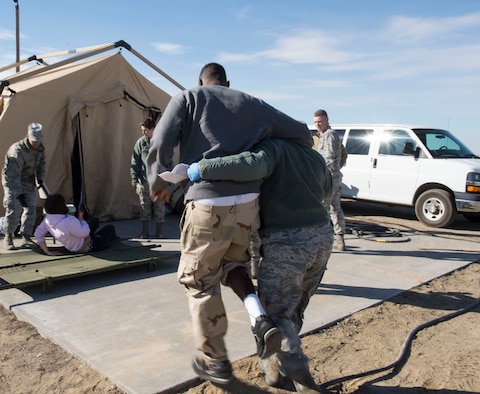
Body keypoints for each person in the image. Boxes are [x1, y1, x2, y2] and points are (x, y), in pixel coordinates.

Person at [146, 63, 313, 385]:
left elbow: (161, 142)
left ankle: (216, 362)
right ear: (228, 83)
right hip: (248, 205)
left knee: (199, 282)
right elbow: (303, 134)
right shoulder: (252, 103)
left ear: (201, 81)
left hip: (208, 204)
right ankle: (259, 318)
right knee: (234, 265)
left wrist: (158, 180)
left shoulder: (188, 98)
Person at [188, 138, 333, 393]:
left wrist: (203, 168)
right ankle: (272, 369)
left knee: (276, 315)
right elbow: (326, 191)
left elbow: (249, 165)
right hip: (321, 239)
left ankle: (300, 375)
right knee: (293, 307)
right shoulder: (315, 157)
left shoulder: (275, 148)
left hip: (287, 243)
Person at [2, 123, 46, 250]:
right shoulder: (17, 151)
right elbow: (12, 175)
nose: (36, 144)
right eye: (34, 141)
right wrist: (18, 194)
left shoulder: (40, 148)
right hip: (13, 183)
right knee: (14, 210)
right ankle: (8, 236)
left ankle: (26, 236)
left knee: (31, 209)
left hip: (29, 182)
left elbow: (42, 163)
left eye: (38, 141)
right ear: (27, 136)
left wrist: (40, 179)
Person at [34, 193, 117, 256]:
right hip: (86, 245)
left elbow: (38, 233)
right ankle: (111, 240)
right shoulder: (68, 221)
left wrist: (47, 251)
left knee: (94, 221)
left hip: (73, 246)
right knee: (110, 228)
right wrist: (81, 220)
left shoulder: (47, 220)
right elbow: (85, 233)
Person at [313, 109, 346, 251]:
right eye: (315, 122)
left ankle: (323, 240)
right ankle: (339, 238)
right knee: (335, 208)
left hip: (328, 178)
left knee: (323, 209)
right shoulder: (323, 135)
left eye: (320, 121)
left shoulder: (329, 135)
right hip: (333, 177)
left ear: (327, 120)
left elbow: (329, 158)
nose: (317, 124)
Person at [130, 117, 165, 239]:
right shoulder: (141, 143)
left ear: (153, 129)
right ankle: (144, 232)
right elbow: (135, 161)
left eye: (145, 130)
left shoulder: (161, 141)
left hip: (159, 181)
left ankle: (159, 232)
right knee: (144, 206)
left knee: (159, 207)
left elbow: (167, 160)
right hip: (144, 181)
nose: (143, 132)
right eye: (142, 130)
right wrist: (134, 179)